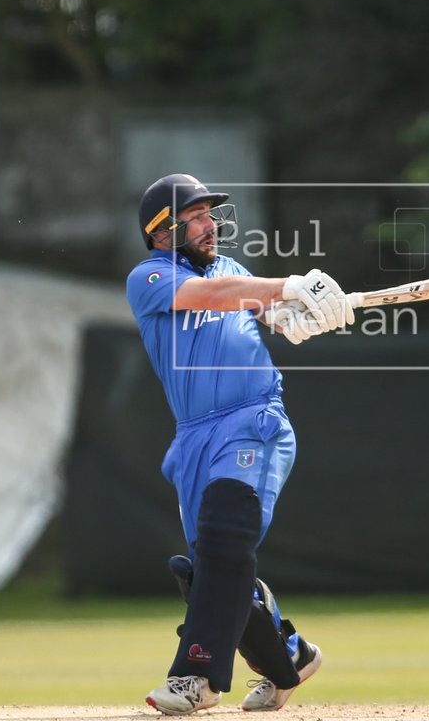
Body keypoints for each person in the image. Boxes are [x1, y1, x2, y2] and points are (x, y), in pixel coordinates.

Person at [126, 174, 354, 715]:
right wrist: (286, 287)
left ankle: (196, 678)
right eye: (197, 216)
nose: (211, 225)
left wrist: (298, 313)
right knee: (207, 572)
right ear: (163, 228)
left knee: (226, 538)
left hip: (254, 421)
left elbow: (265, 312)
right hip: (194, 438)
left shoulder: (235, 271)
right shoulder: (150, 275)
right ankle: (291, 657)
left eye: (211, 214)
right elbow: (213, 296)